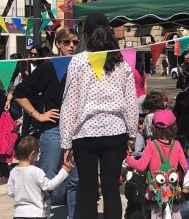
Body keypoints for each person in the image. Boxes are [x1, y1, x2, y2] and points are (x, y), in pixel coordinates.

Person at [59, 13, 138, 219]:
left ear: (86, 35)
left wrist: (66, 142)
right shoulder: (122, 62)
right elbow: (131, 102)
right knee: (111, 189)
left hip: (85, 133)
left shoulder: (77, 62)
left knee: (87, 189)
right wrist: (131, 134)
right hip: (116, 132)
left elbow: (69, 104)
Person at [13, 27, 80, 219]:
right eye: (67, 42)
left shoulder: (84, 66)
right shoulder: (49, 68)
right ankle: (45, 214)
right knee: (47, 179)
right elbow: (19, 93)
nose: (72, 46)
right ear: (58, 44)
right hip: (53, 130)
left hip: (78, 130)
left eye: (75, 42)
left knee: (76, 179)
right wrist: (38, 115)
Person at [126, 109, 189, 219]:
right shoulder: (177, 144)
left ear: (153, 127)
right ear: (174, 127)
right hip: (173, 187)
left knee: (156, 213)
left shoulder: (151, 145)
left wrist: (127, 158)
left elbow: (141, 166)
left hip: (155, 188)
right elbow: (185, 166)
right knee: (175, 212)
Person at [7, 136, 72, 218]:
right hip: (35, 214)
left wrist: (21, 193)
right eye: (38, 153)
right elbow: (49, 185)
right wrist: (64, 171)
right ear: (32, 154)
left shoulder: (13, 172)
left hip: (18, 214)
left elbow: (10, 191)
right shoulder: (36, 171)